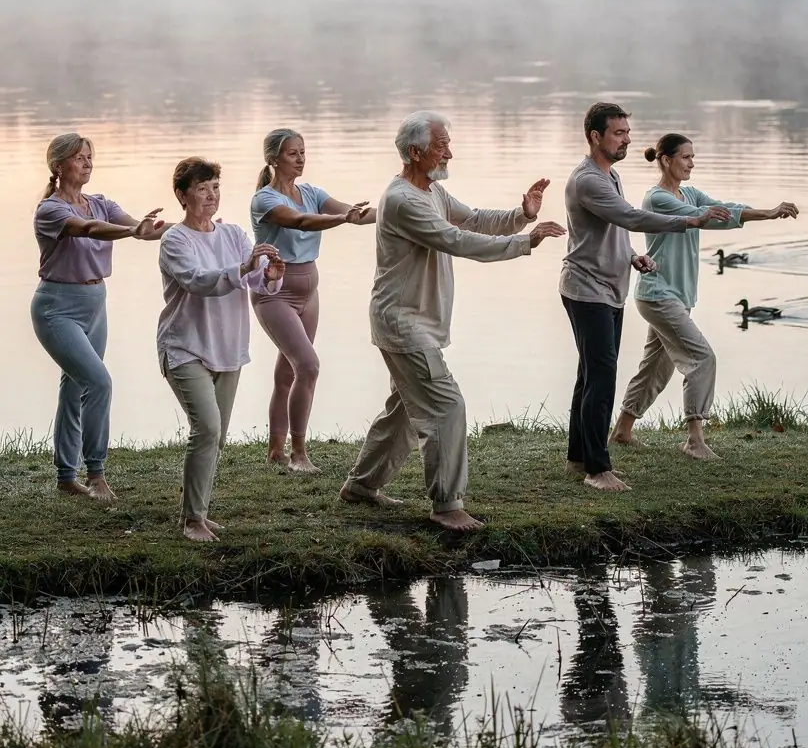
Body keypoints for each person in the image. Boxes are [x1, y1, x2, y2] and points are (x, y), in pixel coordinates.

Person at [340, 111, 566, 531]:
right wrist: (524, 243)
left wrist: (521, 214)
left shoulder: (432, 191)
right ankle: (447, 505)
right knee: (445, 406)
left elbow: (472, 218)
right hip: (402, 323)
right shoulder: (403, 200)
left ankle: (361, 486)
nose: (450, 152)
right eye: (442, 145)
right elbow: (455, 240)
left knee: (405, 413)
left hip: (415, 321)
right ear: (416, 151)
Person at [560, 104, 730, 494]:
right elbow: (632, 218)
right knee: (600, 376)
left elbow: (614, 230)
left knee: (590, 374)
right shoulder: (589, 180)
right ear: (595, 137)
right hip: (587, 289)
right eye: (618, 132)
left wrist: (631, 256)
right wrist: (690, 219)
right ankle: (597, 469)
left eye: (626, 131)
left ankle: (578, 457)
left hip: (608, 286)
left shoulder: (610, 175)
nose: (627, 138)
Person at [611, 133, 799, 460]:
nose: (691, 163)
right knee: (702, 358)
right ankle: (695, 439)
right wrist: (709, 213)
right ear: (666, 160)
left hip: (676, 296)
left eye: (692, 157)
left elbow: (722, 210)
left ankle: (622, 432)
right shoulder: (657, 199)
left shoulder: (689, 193)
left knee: (657, 367)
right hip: (658, 294)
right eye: (685, 157)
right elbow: (702, 216)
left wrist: (767, 213)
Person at [31, 133, 167, 502]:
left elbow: (145, 230)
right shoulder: (51, 209)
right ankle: (96, 474)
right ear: (59, 166)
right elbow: (87, 229)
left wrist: (195, 227)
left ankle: (64, 476)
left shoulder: (101, 203)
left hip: (95, 302)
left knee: (75, 387)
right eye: (79, 157)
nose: (88, 162)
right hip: (56, 307)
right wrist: (131, 231)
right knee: (99, 383)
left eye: (90, 156)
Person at [158, 156, 285, 542]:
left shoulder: (232, 234)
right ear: (182, 195)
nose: (211, 195)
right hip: (184, 346)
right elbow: (199, 281)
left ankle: (196, 510)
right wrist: (245, 269)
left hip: (227, 347)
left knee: (217, 435)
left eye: (214, 187)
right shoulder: (174, 240)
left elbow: (254, 283)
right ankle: (192, 521)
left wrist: (270, 276)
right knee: (207, 428)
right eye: (201, 188)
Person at [249, 128, 374, 473]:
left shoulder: (312, 192)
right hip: (275, 292)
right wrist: (340, 219)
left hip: (309, 291)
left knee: (288, 372)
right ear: (273, 159)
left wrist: (398, 210)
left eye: (303, 152)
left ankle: (275, 450)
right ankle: (298, 454)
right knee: (308, 366)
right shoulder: (265, 199)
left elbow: (356, 213)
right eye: (293, 153)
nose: (301, 158)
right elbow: (301, 222)